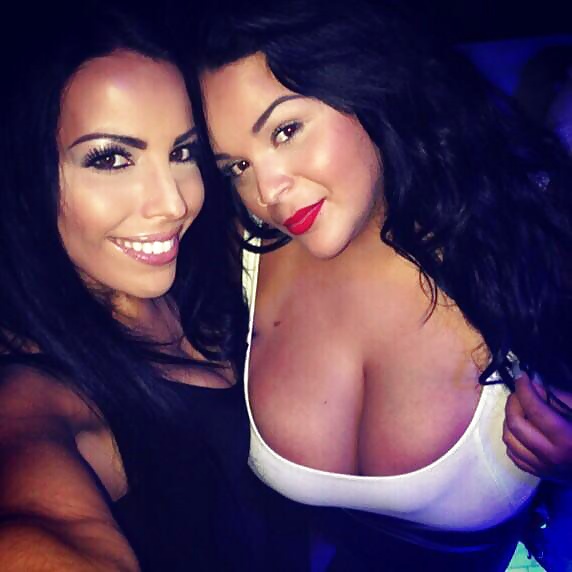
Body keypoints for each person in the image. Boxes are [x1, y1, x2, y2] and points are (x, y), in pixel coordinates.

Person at [193, 0, 572, 569]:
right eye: (237, 167)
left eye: (286, 130)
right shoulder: (241, 253)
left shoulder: (530, 239)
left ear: (369, 86)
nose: (267, 191)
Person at [0, 4, 307, 571]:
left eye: (182, 153)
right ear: (25, 178)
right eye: (111, 158)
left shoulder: (216, 266)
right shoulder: (33, 394)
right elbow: (40, 527)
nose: (173, 203)